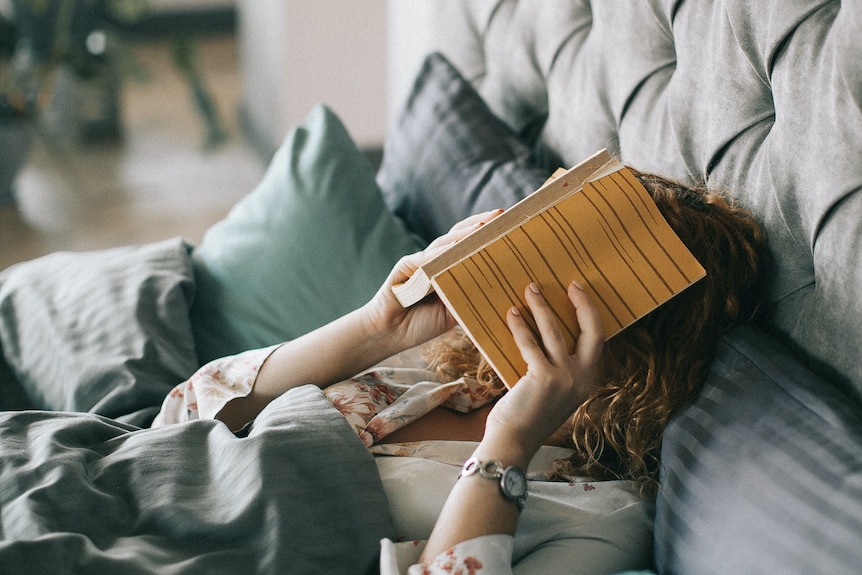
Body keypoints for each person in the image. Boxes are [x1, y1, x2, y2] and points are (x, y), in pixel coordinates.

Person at [153, 169, 766, 574]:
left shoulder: (606, 518)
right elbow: (189, 410)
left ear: (644, 345)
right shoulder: (444, 377)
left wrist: (512, 441)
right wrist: (373, 329)